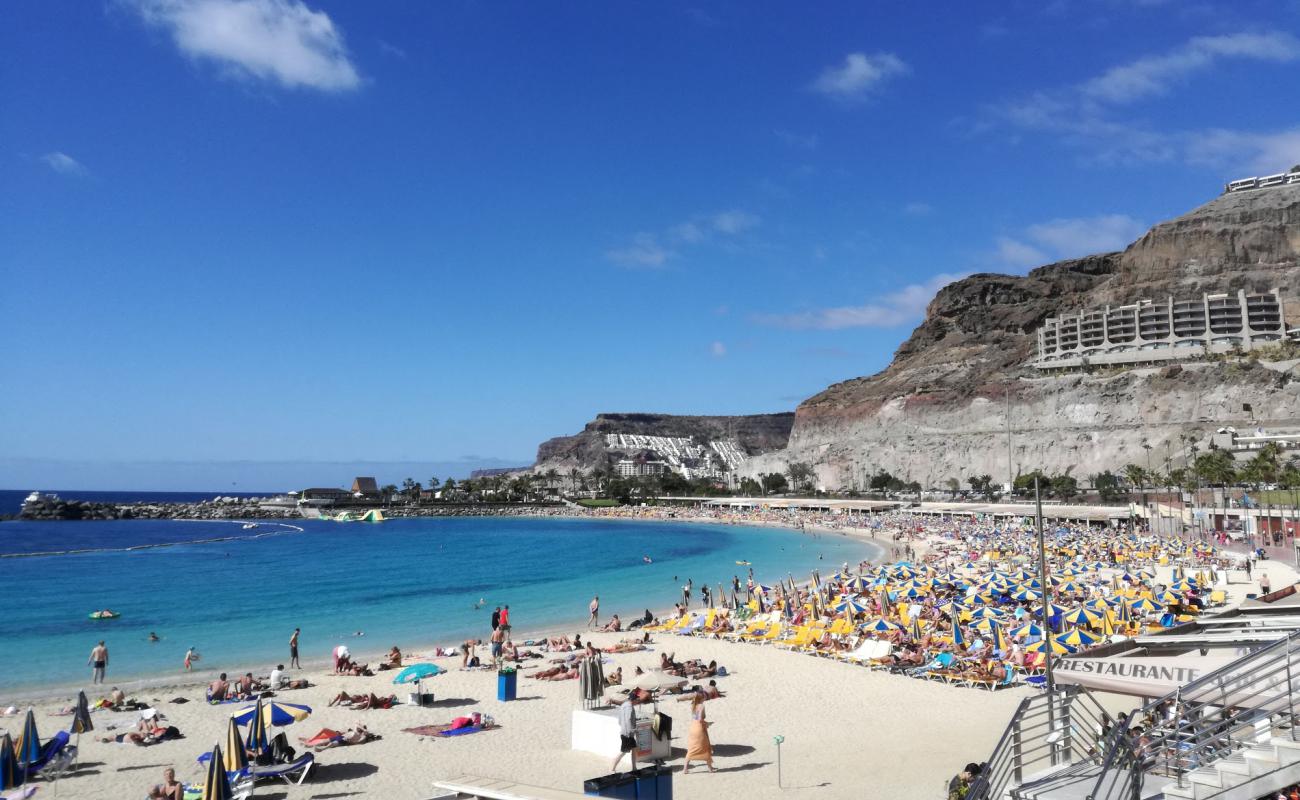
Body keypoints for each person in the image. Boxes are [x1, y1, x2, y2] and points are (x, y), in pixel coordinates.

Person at [683, 692, 715, 773]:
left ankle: (685, 769)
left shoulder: (693, 704)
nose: (706, 697)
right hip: (699, 728)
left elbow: (695, 718)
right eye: (705, 696)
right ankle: (710, 768)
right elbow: (700, 719)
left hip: (693, 727)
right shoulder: (701, 706)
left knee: (691, 749)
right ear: (702, 698)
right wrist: (707, 723)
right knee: (705, 747)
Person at [611, 694, 638, 772]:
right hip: (627, 733)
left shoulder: (623, 705)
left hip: (624, 731)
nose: (637, 702)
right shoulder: (629, 707)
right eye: (636, 700)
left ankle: (634, 768)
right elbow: (628, 720)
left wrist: (624, 728)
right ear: (633, 700)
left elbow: (619, 721)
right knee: (623, 752)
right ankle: (612, 768)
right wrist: (632, 730)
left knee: (634, 749)